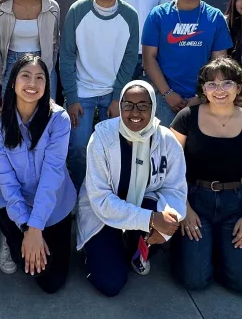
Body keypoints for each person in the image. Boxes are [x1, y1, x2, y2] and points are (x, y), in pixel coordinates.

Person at [77, 80, 188, 297]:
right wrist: (150, 219)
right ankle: (106, 247)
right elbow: (100, 200)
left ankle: (136, 248)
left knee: (165, 216)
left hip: (144, 204)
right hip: (103, 213)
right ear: (120, 107)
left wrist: (165, 225)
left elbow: (175, 189)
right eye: (128, 105)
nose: (134, 112)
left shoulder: (166, 140)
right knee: (111, 283)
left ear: (153, 107)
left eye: (143, 105)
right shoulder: (101, 137)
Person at [169, 58, 242, 293]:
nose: (219, 90)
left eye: (227, 83)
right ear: (203, 89)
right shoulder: (186, 117)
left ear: (239, 87)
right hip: (195, 199)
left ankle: (215, 251)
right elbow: (171, 167)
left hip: (235, 204)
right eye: (211, 84)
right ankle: (191, 251)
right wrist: (185, 210)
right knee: (195, 281)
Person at [0, 55, 76, 291]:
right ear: (13, 81)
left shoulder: (58, 119)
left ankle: (35, 235)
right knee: (38, 269)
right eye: (25, 76)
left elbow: (52, 175)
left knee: (52, 282)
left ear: (47, 85)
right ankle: (10, 235)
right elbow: (6, 181)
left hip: (54, 204)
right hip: (17, 205)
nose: (32, 84)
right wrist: (27, 226)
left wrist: (36, 228)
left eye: (40, 78)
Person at [59, 0, 139, 190]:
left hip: (114, 93)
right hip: (82, 91)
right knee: (77, 147)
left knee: (115, 147)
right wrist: (71, 98)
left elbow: (129, 59)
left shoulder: (130, 15)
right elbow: (66, 56)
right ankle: (78, 193)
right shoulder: (78, 10)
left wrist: (117, 97)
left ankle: (108, 193)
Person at [143, 0, 232, 126]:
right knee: (164, 148)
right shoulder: (158, 15)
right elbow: (149, 59)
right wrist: (168, 94)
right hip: (164, 98)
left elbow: (219, 63)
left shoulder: (215, 17)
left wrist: (202, 96)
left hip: (203, 98)